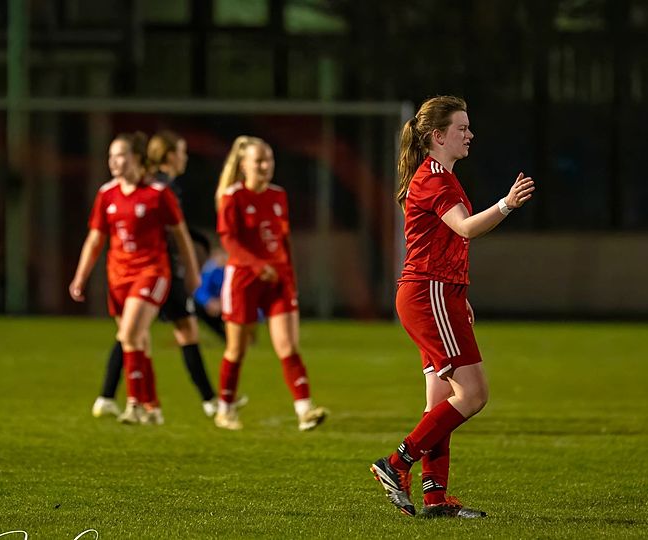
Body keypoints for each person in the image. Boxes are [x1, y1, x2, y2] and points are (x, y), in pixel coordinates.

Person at [369, 96, 535, 519]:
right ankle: (396, 463)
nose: (470, 134)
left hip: (436, 294)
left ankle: (435, 498)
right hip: (430, 294)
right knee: (474, 394)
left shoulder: (436, 176)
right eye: (462, 128)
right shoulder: (435, 178)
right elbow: (464, 228)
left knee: (441, 399)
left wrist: (460, 295)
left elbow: (444, 242)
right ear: (437, 137)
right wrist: (507, 204)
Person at [70, 132, 200, 425]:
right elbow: (95, 239)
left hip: (152, 272)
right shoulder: (107, 194)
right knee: (137, 340)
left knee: (129, 335)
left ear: (138, 158)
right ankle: (152, 407)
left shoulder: (158, 193)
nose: (114, 162)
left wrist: (191, 272)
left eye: (121, 155)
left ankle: (134, 404)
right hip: (118, 275)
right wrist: (80, 276)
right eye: (111, 156)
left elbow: (181, 236)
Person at [212, 136, 328, 432]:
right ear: (244, 165)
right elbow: (229, 240)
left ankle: (305, 410)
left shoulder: (278, 195)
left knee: (288, 345)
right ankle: (225, 408)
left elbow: (283, 239)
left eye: (269, 160)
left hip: (278, 280)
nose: (265, 166)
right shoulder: (232, 196)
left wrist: (290, 278)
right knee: (236, 349)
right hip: (243, 280)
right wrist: (256, 265)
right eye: (259, 161)